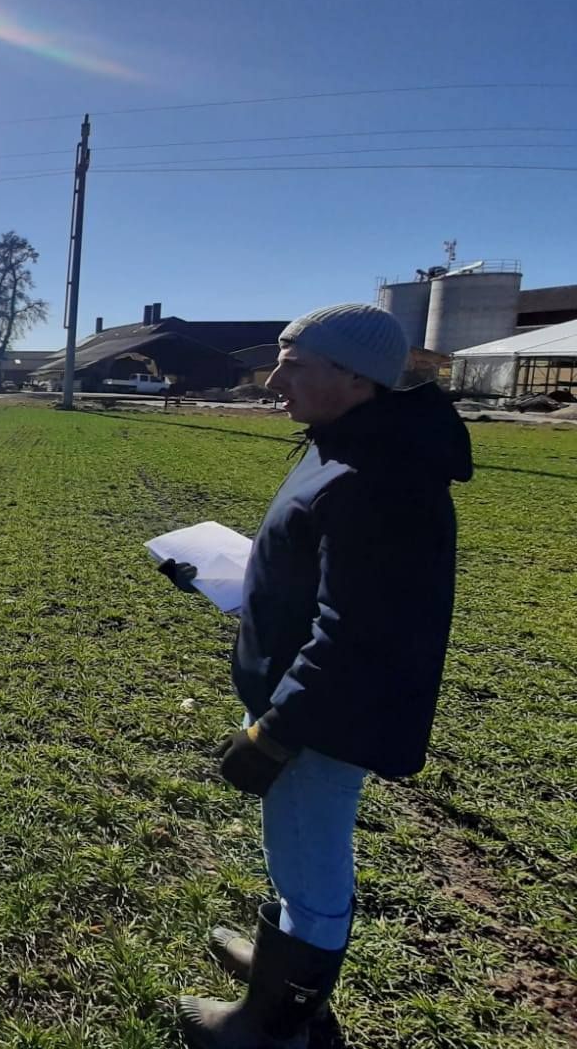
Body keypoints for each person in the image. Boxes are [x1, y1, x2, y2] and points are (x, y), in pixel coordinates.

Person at [167, 304, 471, 1049]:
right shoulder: (346, 443)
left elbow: (359, 632)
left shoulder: (382, 477)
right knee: (296, 848)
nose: (275, 380)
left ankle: (277, 1021)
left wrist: (276, 731)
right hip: (309, 696)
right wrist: (241, 583)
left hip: (325, 714)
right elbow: (327, 578)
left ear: (356, 378)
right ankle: (285, 965)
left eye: (295, 366)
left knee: (310, 857)